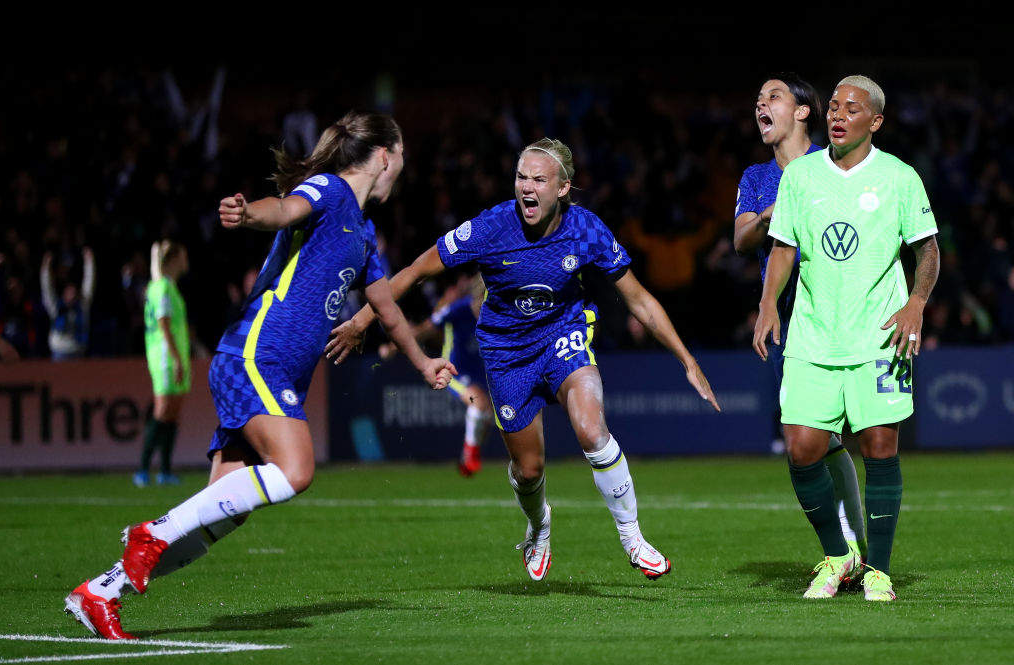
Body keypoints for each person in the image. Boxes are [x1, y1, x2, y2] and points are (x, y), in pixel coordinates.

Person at [65, 111, 456, 639]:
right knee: (296, 470)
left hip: (267, 367)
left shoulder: (362, 233)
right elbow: (286, 208)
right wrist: (249, 214)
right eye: (403, 153)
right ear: (385, 155)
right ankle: (151, 533)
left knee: (220, 516)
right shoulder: (331, 190)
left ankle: (101, 592)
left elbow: (386, 310)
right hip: (256, 355)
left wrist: (423, 361)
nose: (403, 165)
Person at [328, 138, 721, 582]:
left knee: (593, 431)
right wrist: (362, 320)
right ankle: (538, 526)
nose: (526, 187)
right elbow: (417, 270)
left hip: (564, 334)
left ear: (563, 188)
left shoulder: (587, 229)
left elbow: (640, 301)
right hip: (506, 353)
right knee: (528, 468)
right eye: (521, 177)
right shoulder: (491, 228)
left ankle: (632, 537)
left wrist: (686, 358)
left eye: (538, 179)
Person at [753, 76, 940, 602]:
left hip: (879, 335)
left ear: (874, 122)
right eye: (833, 106)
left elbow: (927, 250)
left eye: (851, 109)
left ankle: (877, 569)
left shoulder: (899, 178)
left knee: (880, 446)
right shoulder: (801, 176)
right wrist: (769, 303)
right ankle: (840, 554)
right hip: (813, 334)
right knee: (802, 449)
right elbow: (784, 249)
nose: (837, 115)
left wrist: (917, 303)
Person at [734, 74, 867, 559]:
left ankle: (854, 547)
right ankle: (851, 547)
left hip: (839, 311)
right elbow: (741, 238)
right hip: (787, 320)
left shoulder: (833, 163)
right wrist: (774, 211)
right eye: (757, 99)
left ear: (803, 111)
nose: (760, 106)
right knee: (812, 435)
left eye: (772, 96)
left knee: (836, 434)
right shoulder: (756, 177)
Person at [381, 271, 491, 475]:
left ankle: (467, 458)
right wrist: (393, 347)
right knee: (478, 401)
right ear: (476, 296)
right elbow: (425, 329)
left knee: (486, 416)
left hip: (483, 373)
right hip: (455, 371)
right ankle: (469, 455)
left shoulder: (499, 313)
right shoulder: (457, 310)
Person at [134, 240, 192, 487]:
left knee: (173, 413)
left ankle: (165, 470)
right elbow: (163, 324)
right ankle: (143, 468)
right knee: (162, 410)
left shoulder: (165, 286)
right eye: (183, 256)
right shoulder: (164, 290)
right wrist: (177, 359)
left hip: (175, 355)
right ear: (174, 259)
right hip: (165, 357)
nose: (186, 261)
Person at [41, 248, 95, 359]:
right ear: (64, 295)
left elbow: (89, 284)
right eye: (69, 292)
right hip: (59, 352)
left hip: (78, 351)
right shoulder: (56, 308)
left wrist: (89, 262)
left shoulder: (82, 307)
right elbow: (47, 288)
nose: (72, 294)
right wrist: (46, 267)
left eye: (74, 292)